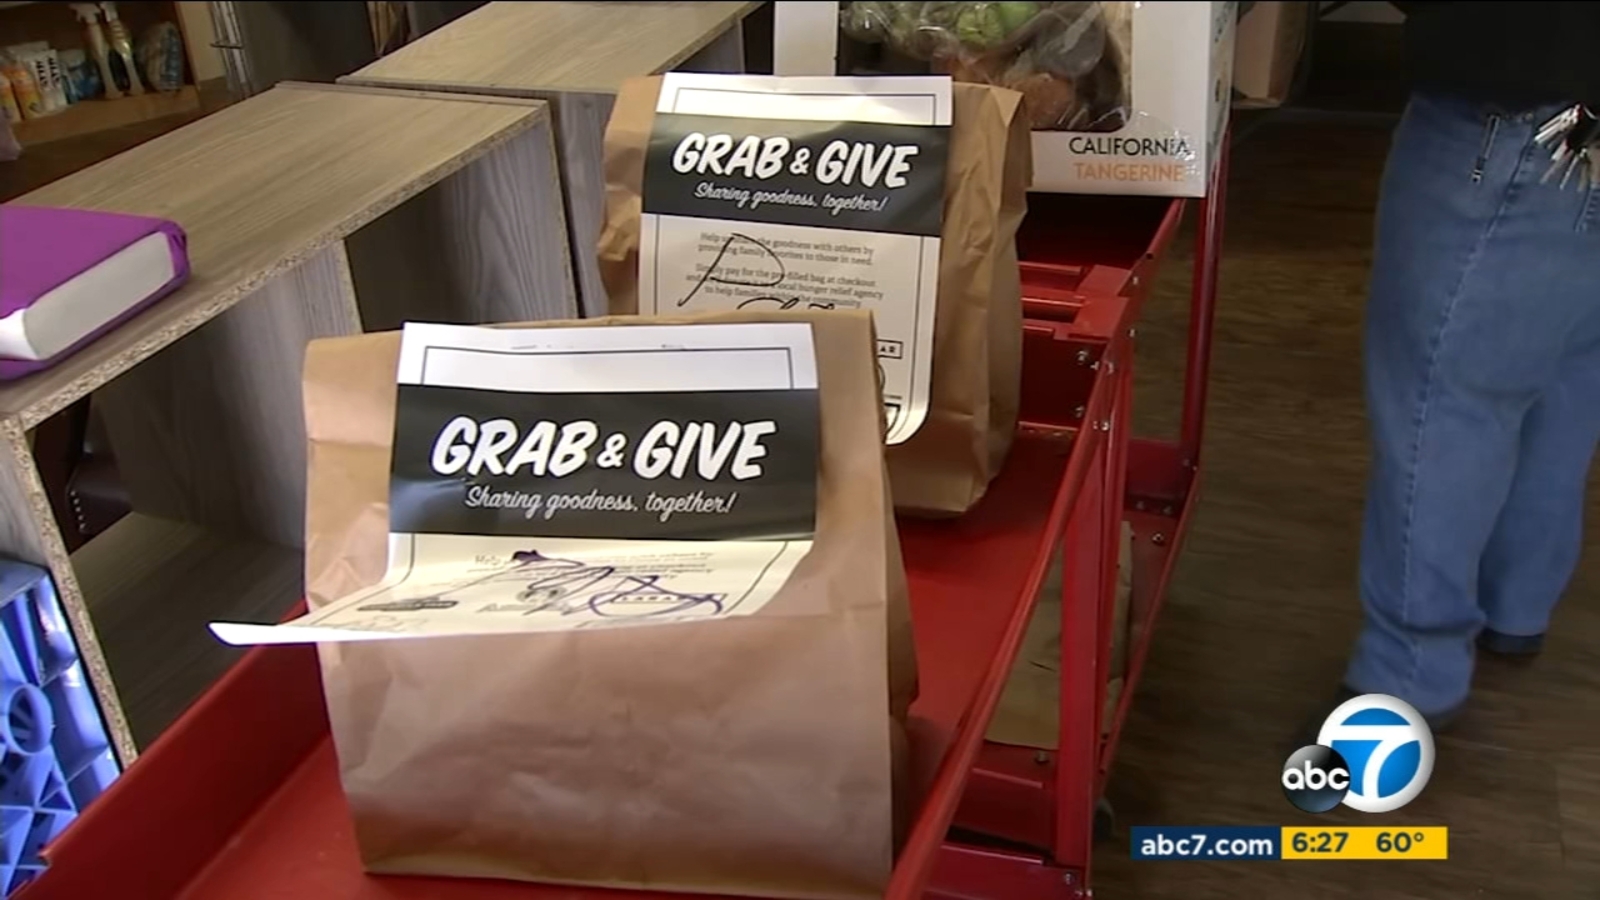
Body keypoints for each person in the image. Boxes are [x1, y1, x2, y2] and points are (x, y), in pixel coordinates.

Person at [1319, 1, 1600, 731]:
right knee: (1564, 378)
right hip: (1575, 111)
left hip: (1521, 118)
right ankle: (1516, 601)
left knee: (1444, 405)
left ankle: (1408, 679)